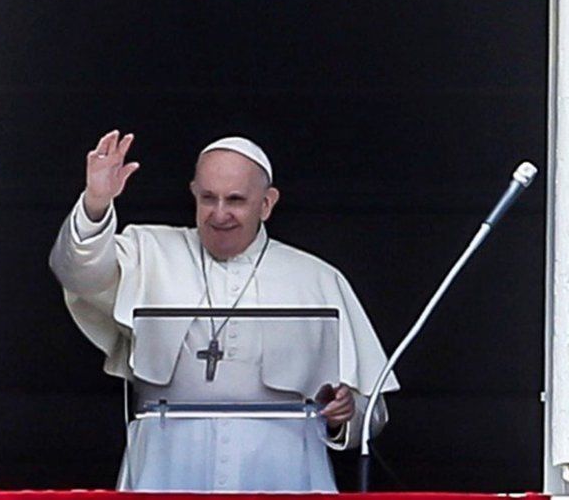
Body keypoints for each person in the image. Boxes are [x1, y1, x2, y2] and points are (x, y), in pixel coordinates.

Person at [49, 130, 399, 492]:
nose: (219, 214)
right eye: (208, 198)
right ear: (193, 195)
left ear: (266, 203)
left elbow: (371, 410)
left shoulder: (317, 278)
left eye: (235, 200)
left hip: (281, 466)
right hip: (168, 462)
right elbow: (77, 273)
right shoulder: (148, 251)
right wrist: (95, 203)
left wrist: (344, 414)